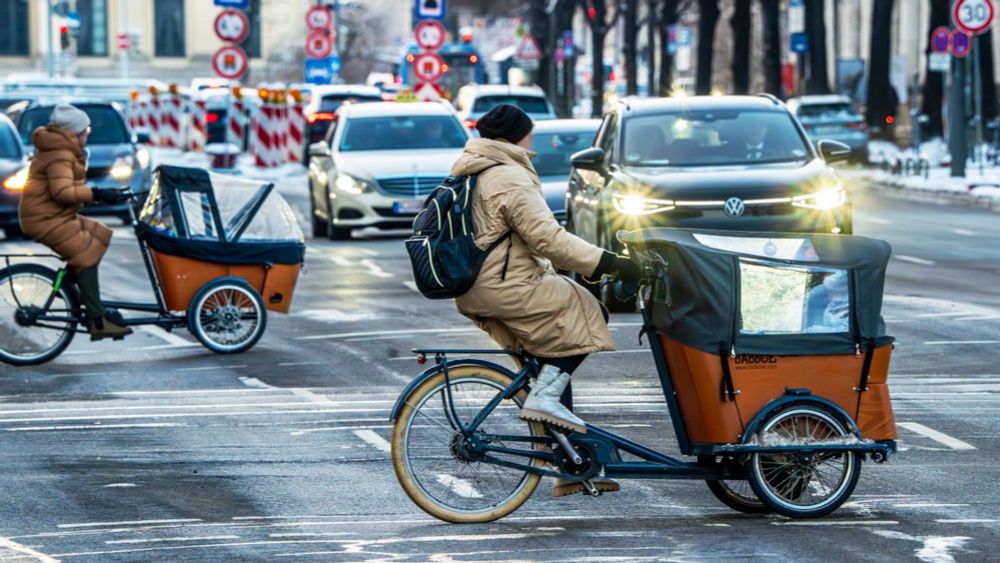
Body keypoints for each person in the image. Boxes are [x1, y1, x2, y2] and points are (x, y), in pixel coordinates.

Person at [450, 104, 640, 496]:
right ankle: (549, 402)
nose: (532, 142)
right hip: (505, 285)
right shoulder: (509, 176)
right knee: (586, 308)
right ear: (517, 135)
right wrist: (608, 263)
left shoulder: (477, 168)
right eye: (530, 135)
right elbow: (549, 240)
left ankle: (570, 463)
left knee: (552, 354)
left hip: (479, 286)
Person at [18, 104, 132, 340]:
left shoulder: (62, 150)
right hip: (45, 219)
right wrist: (98, 194)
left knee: (100, 234)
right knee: (85, 253)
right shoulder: (60, 154)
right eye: (85, 130)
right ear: (73, 133)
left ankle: (73, 285)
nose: (88, 133)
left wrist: (105, 195)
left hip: (55, 215)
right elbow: (63, 192)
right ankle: (97, 321)